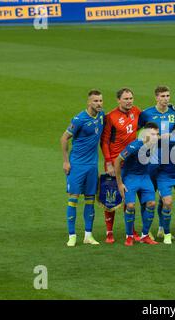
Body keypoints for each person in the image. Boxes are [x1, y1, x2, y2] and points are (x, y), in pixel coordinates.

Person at [60, 89, 105, 247]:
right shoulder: (79, 119)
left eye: (100, 101)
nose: (99, 104)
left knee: (90, 200)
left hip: (92, 166)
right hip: (77, 165)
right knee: (73, 199)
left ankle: (88, 235)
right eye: (95, 101)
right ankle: (72, 236)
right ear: (89, 102)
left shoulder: (101, 116)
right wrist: (66, 162)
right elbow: (64, 138)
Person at [100, 88, 141, 244]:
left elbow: (151, 120)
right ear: (119, 100)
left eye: (131, 98)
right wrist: (109, 162)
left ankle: (131, 230)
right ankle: (109, 232)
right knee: (111, 197)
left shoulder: (136, 111)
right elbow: (104, 141)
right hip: (115, 162)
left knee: (128, 196)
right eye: (126, 99)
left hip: (131, 162)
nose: (129, 101)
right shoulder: (110, 117)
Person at [139, 86, 175, 240]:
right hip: (150, 161)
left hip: (168, 161)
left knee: (164, 195)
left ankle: (162, 228)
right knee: (148, 196)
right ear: (156, 97)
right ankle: (146, 230)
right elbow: (138, 132)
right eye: (162, 96)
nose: (166, 99)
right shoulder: (147, 113)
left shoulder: (174, 113)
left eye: (168, 95)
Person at [114, 122, 160, 246]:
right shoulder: (134, 147)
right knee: (130, 206)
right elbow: (117, 161)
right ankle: (129, 236)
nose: (155, 136)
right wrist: (119, 183)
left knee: (151, 203)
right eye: (152, 134)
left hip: (145, 178)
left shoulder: (153, 144)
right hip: (130, 178)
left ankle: (145, 235)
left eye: (157, 134)